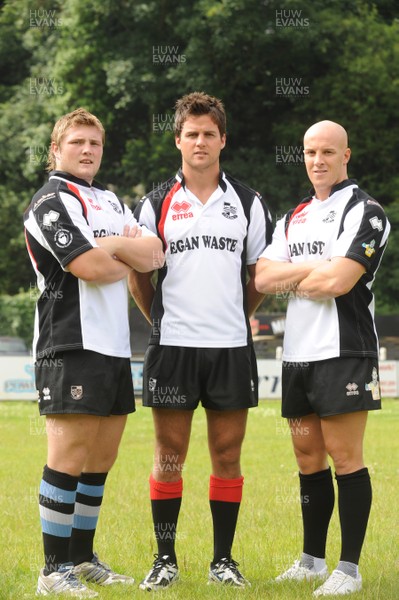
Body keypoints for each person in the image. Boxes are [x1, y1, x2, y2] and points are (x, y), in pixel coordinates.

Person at [127, 91, 273, 590]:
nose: (201, 141)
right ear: (178, 141)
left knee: (227, 455)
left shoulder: (250, 203)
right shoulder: (153, 204)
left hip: (231, 348)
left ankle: (222, 561)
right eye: (192, 134)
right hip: (173, 348)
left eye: (209, 133)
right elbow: (138, 277)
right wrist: (164, 323)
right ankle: (164, 559)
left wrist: (235, 315)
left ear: (223, 139)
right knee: (169, 454)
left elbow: (260, 278)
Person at [24, 108, 163, 597]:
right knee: (68, 456)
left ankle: (82, 559)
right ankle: (52, 570)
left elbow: (154, 254)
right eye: (78, 142)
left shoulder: (107, 199)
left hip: (112, 347)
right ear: (56, 149)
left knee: (100, 458)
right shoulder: (50, 200)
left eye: (95, 144)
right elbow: (92, 268)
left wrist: (112, 246)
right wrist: (116, 250)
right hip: (69, 343)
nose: (87, 151)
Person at [255, 120, 390, 596]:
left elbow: (339, 283)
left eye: (327, 152)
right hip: (298, 355)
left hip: (344, 351)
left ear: (345, 155)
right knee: (308, 458)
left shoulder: (367, 212)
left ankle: (348, 570)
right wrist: (321, 266)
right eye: (310, 152)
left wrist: (301, 274)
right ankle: (312, 560)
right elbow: (264, 281)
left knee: (345, 458)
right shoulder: (292, 217)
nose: (317, 160)